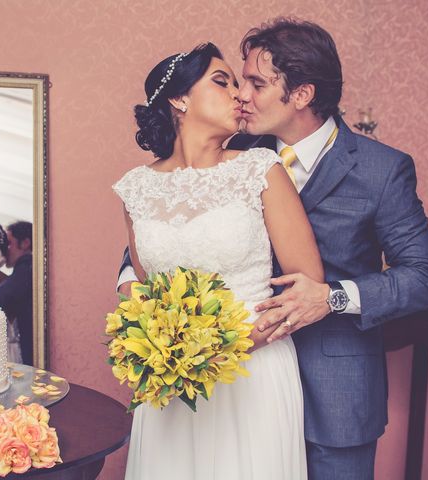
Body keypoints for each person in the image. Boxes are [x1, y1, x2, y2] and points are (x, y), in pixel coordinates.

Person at [119, 18, 428, 480]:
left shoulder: (382, 169)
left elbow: (426, 276)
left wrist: (332, 296)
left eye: (255, 82)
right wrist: (133, 290)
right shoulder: (237, 152)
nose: (241, 95)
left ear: (302, 94)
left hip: (335, 395)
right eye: (234, 81)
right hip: (220, 381)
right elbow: (167, 232)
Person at [113, 42, 322, 479]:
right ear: (180, 98)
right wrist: (164, 351)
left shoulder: (261, 169)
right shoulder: (136, 188)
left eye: (243, 84)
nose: (240, 94)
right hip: (171, 384)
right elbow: (146, 289)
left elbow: (306, 287)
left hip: (254, 372)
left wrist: (217, 351)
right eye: (223, 81)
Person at [0, 220, 34, 365]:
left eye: (10, 243)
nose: (6, 249)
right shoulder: (17, 273)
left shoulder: (26, 269)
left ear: (25, 243)